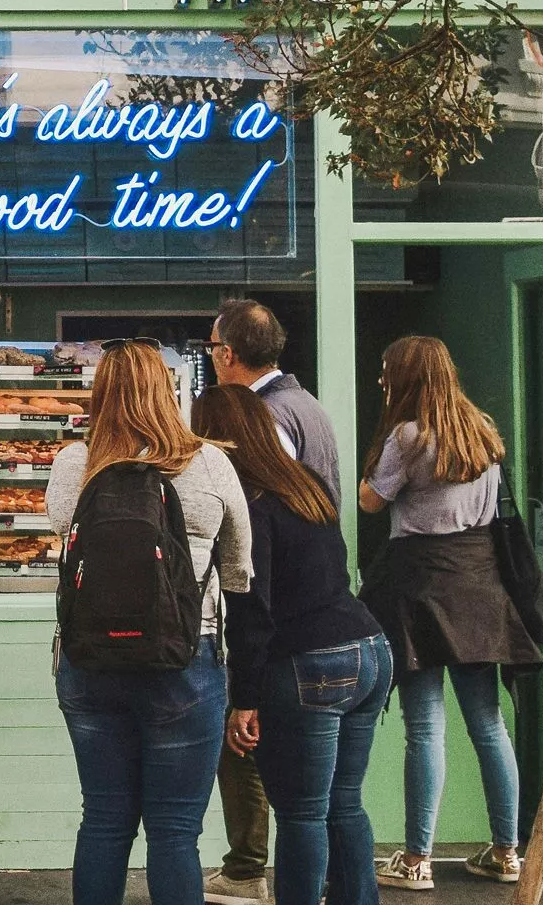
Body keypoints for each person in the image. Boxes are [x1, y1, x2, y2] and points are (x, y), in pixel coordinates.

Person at [44, 340, 253, 905]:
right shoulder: (210, 461)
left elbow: (63, 537)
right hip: (186, 659)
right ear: (168, 389)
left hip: (90, 663)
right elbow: (239, 572)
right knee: (175, 830)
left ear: (101, 394)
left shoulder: (74, 463)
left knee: (105, 818)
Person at [356, 337, 539, 891]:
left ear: (407, 378)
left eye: (388, 373)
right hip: (478, 585)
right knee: (488, 724)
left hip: (419, 586)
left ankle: (416, 860)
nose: (383, 381)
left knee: (424, 728)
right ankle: (508, 852)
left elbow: (370, 501)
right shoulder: (479, 427)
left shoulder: (408, 437)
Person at [199, 385, 391, 905]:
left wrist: (245, 697)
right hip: (369, 647)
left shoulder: (251, 504)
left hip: (311, 663)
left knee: (302, 813)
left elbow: (252, 608)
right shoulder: (305, 484)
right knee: (345, 804)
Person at [201, 299, 340, 904]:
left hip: (279, 613)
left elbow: (254, 532)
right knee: (332, 795)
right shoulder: (307, 404)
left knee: (247, 739)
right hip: (322, 604)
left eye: (211, 348)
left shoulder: (263, 418)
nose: (210, 358)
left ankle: (248, 866)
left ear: (228, 354)